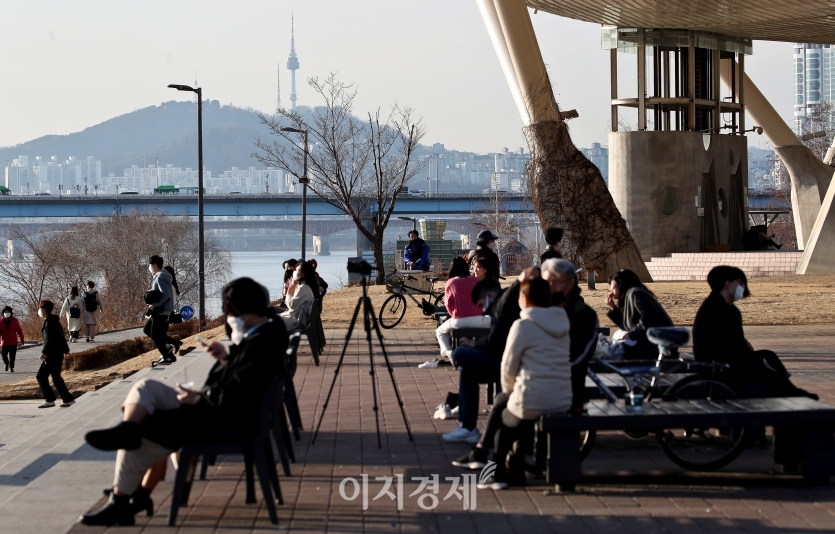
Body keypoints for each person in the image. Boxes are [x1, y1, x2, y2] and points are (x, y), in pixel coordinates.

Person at [79, 277, 287, 526]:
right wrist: (226, 357)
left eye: (231, 312)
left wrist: (198, 397)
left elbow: (238, 395)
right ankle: (128, 430)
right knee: (147, 388)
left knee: (143, 435)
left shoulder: (260, 344)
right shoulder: (267, 333)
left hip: (219, 419)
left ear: (244, 309)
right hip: (219, 411)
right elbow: (245, 382)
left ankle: (120, 502)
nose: (229, 318)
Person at [453, 259, 598, 471]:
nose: (550, 287)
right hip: (538, 383)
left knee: (507, 401)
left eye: (556, 282)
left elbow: (577, 358)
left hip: (566, 389)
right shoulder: (539, 308)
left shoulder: (582, 315)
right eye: (545, 282)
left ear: (571, 283)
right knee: (496, 390)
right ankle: (497, 458)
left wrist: (535, 373)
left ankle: (496, 462)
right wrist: (517, 284)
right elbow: (499, 313)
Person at [475, 277, 572, 490]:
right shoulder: (562, 322)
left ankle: (496, 471)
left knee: (504, 412)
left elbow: (508, 367)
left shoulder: (522, 326)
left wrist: (511, 392)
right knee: (508, 406)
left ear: (525, 298)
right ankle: (502, 458)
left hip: (532, 398)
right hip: (562, 398)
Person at [692, 266, 816, 399]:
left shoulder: (717, 306)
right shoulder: (722, 310)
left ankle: (792, 391)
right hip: (721, 366)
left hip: (717, 363)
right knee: (768, 369)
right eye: (740, 283)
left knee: (768, 357)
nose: (743, 287)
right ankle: (793, 394)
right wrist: (753, 357)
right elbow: (733, 347)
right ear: (728, 284)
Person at [442, 267, 534, 443]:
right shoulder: (506, 304)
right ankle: (467, 427)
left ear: (489, 297)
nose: (483, 311)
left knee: (461, 353)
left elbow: (495, 341)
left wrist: (474, 344)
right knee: (467, 371)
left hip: (509, 364)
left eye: (482, 305)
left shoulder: (502, 305)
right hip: (509, 361)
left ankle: (468, 427)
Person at [424, 257, 491, 369]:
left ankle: (449, 352)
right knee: (493, 323)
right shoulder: (475, 280)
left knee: (440, 331)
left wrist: (454, 314)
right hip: (477, 319)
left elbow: (448, 304)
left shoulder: (451, 282)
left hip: (458, 321)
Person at [605, 269, 673, 360]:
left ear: (621, 285)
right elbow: (627, 327)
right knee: (618, 335)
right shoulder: (630, 296)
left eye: (613, 286)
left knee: (616, 346)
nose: (610, 290)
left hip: (658, 344)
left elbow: (649, 316)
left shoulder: (636, 293)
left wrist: (632, 335)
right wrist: (613, 307)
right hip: (648, 341)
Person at [36, 300, 75, 409]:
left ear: (43, 309)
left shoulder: (49, 322)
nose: (39, 311)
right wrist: (66, 350)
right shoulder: (53, 320)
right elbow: (61, 337)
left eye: (40, 309)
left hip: (52, 355)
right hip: (57, 354)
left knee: (41, 376)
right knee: (56, 377)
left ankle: (50, 400)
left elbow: (49, 339)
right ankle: (68, 399)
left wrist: (45, 352)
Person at [144, 256, 176, 366]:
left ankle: (166, 357)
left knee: (155, 334)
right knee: (148, 330)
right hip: (161, 310)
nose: (149, 268)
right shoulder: (161, 276)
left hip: (161, 310)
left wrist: (154, 305)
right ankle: (167, 349)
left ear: (154, 265)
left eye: (149, 266)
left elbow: (166, 294)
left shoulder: (161, 277)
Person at [280, 261, 318, 330]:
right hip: (297, 317)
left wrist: (289, 293)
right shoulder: (304, 286)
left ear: (302, 275)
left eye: (296, 270)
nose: (294, 272)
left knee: (270, 322)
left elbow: (292, 305)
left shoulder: (303, 288)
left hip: (297, 320)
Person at [0, 306, 24, 372]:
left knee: (12, 356)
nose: (6, 313)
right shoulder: (0, 321)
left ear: (11, 313)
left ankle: (11, 367)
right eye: (5, 312)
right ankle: (6, 364)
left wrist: (22, 339)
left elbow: (19, 330)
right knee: (3, 354)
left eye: (8, 312)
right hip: (4, 342)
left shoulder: (14, 321)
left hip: (13, 341)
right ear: (3, 313)